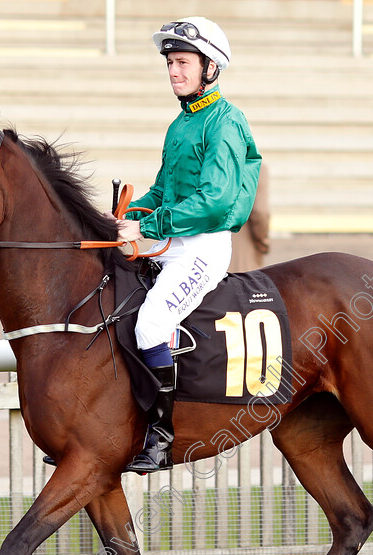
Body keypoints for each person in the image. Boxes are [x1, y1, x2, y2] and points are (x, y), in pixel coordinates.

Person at [117, 17, 261, 473]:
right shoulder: (180, 124)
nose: (174, 72)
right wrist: (128, 215)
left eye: (183, 62)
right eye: (171, 63)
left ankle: (162, 438)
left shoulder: (227, 121)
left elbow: (215, 201)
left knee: (151, 324)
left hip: (203, 247)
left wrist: (150, 227)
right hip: (173, 239)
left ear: (210, 68)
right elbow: (162, 192)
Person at [228, 163, 270, 273]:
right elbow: (260, 211)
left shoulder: (205, 161)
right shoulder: (254, 166)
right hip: (243, 249)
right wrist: (262, 239)